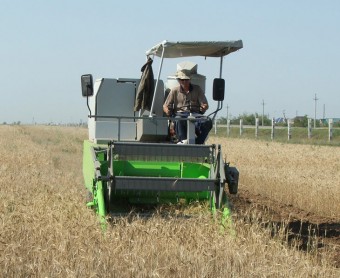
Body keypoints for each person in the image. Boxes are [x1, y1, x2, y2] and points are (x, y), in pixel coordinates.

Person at [163, 69, 211, 144]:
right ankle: (183, 141)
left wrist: (204, 106)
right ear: (179, 80)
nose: (185, 82)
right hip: (180, 114)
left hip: (196, 115)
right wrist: (167, 110)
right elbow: (165, 105)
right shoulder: (174, 90)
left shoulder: (197, 89)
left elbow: (205, 104)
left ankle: (199, 142)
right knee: (179, 119)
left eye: (186, 79)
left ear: (190, 79)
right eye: (182, 80)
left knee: (208, 121)